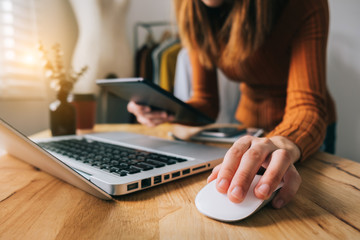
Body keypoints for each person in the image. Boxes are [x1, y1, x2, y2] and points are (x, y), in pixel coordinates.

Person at [127, 0, 336, 209]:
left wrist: (283, 144)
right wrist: (168, 109)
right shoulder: (192, 8)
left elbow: (306, 105)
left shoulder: (303, 5)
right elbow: (206, 102)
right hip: (250, 129)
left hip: (304, 131)